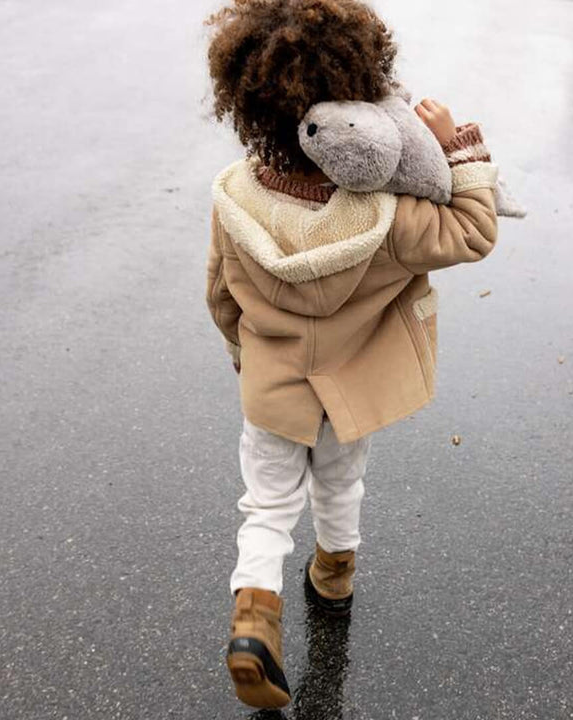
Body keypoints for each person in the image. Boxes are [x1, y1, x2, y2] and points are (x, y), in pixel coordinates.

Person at [205, 0, 498, 709]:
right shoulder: (392, 218)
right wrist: (455, 145)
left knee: (267, 505)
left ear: (249, 105)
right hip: (350, 392)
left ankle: (253, 618)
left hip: (273, 390)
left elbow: (221, 296)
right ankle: (333, 573)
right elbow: (474, 230)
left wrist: (244, 358)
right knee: (339, 483)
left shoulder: (235, 200)